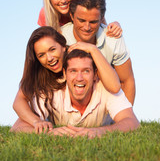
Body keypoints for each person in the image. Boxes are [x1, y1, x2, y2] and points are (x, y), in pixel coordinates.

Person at [10, 26, 120, 133]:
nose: (49, 58)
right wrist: (36, 122)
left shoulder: (78, 58)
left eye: (52, 49)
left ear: (63, 46)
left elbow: (115, 87)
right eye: (41, 55)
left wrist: (93, 49)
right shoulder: (40, 74)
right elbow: (18, 102)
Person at [12, 49, 140, 138]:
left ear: (95, 74)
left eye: (86, 71)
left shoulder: (106, 88)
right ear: (64, 74)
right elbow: (17, 127)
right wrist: (48, 133)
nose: (79, 78)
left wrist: (100, 131)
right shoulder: (52, 90)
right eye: (73, 71)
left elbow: (132, 122)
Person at [61, 0, 136, 105]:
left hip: (103, 98)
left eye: (93, 22)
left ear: (101, 19)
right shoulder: (60, 38)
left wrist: (126, 117)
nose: (87, 27)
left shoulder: (113, 39)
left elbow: (127, 81)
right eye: (81, 20)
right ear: (71, 16)